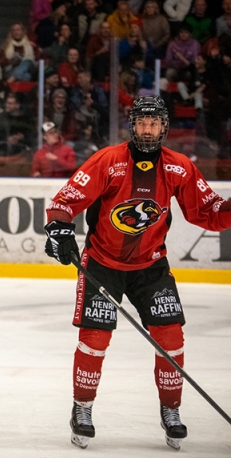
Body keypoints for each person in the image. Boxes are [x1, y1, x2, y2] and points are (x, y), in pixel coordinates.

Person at [43, 95, 231, 451]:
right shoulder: (108, 161)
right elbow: (64, 201)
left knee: (171, 338)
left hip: (150, 266)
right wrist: (59, 228)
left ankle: (171, 411)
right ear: (133, 125)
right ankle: (82, 409)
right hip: (102, 262)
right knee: (94, 339)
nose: (147, 129)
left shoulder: (178, 167)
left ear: (164, 127)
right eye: (142, 123)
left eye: (154, 123)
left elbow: (207, 212)